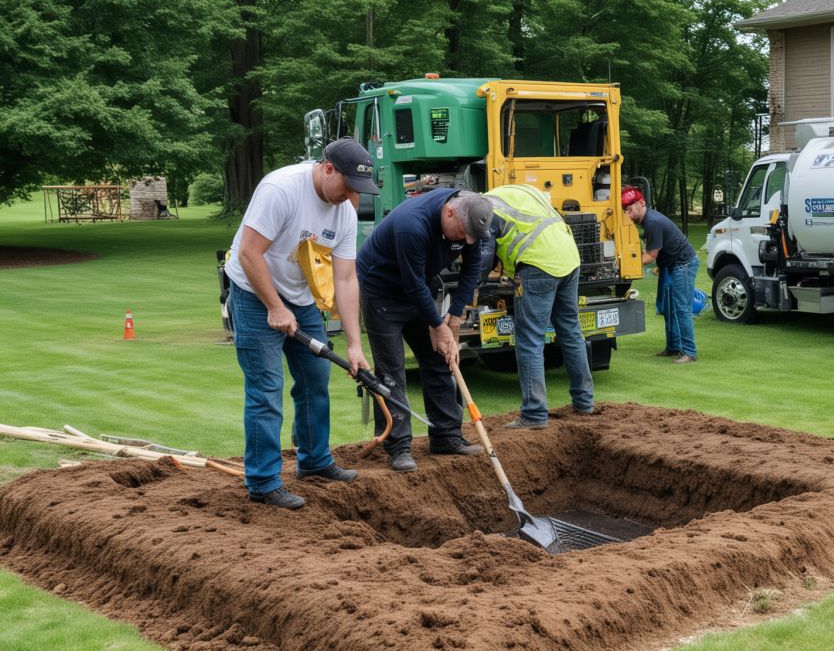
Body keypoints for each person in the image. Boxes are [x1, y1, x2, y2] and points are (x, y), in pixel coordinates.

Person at [223, 138, 373, 510]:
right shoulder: (281, 189)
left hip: (301, 300)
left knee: (315, 378)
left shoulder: (346, 213)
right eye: (347, 186)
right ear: (327, 169)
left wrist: (355, 345)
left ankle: (315, 461)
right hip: (253, 292)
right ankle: (262, 482)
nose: (351, 196)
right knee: (266, 387)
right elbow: (248, 253)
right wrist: (274, 306)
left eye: (358, 190)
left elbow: (345, 281)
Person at [356, 187, 493, 472]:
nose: (466, 240)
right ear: (450, 212)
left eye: (472, 237)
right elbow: (413, 284)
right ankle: (398, 446)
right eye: (462, 233)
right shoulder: (412, 226)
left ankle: (446, 436)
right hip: (382, 292)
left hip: (418, 288)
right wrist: (436, 324)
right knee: (391, 372)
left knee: (441, 358)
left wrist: (453, 318)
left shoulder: (470, 219)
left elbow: (472, 268)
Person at [480, 184, 593, 430]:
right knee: (571, 331)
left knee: (529, 339)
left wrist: (475, 281)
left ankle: (533, 414)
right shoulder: (513, 193)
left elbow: (484, 253)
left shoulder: (483, 208)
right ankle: (584, 403)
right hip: (569, 257)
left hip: (538, 264)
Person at [621, 186, 699, 363]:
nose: (627, 214)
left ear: (641, 204)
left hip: (683, 264)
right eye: (625, 210)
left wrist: (623, 264)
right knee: (668, 308)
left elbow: (649, 256)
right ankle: (673, 348)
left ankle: (689, 352)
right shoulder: (647, 221)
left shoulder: (652, 222)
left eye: (629, 209)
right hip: (669, 265)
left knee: (681, 309)